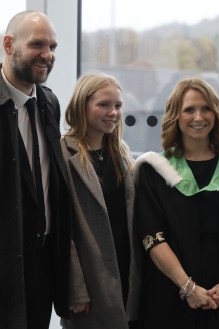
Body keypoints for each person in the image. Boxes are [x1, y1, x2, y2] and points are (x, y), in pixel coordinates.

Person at [134, 77, 219, 329]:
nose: (198, 117)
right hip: (170, 294)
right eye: (189, 109)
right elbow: (152, 238)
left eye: (206, 108)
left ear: (216, 113)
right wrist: (188, 289)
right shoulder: (154, 170)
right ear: (175, 116)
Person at [0, 10, 72, 329]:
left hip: (42, 264)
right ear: (8, 44)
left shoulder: (49, 103)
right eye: (38, 44)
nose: (47, 55)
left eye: (53, 47)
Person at [60, 73, 141, 329]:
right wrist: (76, 289)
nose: (113, 113)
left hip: (126, 270)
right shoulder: (62, 154)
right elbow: (64, 230)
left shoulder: (121, 153)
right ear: (82, 105)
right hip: (91, 282)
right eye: (103, 104)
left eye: (117, 106)